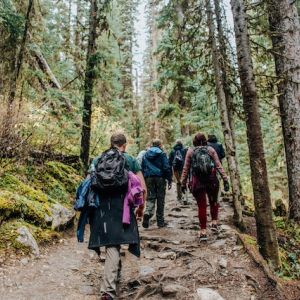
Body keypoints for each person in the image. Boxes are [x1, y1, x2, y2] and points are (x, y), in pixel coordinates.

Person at [88, 133, 146, 300]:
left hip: (102, 209)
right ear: (124, 145)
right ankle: (107, 290)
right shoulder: (130, 160)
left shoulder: (98, 160)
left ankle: (113, 278)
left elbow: (88, 183)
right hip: (123, 207)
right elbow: (142, 187)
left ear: (111, 143)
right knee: (114, 244)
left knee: (111, 243)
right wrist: (141, 208)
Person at [181, 132, 229, 242]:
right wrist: (225, 179)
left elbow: (186, 169)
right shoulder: (210, 150)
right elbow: (218, 165)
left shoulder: (191, 151)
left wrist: (183, 183)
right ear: (205, 140)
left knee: (201, 206)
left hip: (197, 182)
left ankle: (203, 231)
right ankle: (214, 223)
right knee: (214, 201)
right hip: (212, 180)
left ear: (194, 141)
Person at [141, 139, 172, 228]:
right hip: (160, 178)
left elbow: (142, 167)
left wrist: (144, 178)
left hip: (149, 178)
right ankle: (160, 222)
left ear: (152, 144)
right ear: (160, 145)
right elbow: (166, 167)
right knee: (160, 199)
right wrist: (169, 179)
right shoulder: (162, 154)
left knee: (150, 197)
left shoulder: (146, 154)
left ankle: (148, 212)